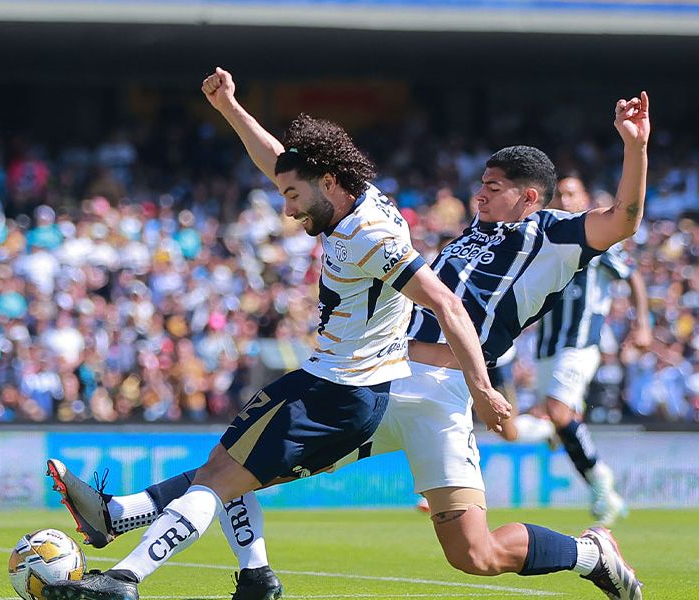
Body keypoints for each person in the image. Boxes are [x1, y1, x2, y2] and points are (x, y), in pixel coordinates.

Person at [50, 69, 649, 600]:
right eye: (482, 182)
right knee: (238, 465)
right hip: (386, 378)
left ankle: (591, 554)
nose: (480, 192)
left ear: (529, 196)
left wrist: (633, 148)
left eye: (494, 187)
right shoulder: (457, 229)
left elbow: (624, 218)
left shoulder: (556, 237)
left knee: (476, 555)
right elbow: (292, 169)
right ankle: (138, 529)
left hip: (442, 392)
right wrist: (233, 108)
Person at [529, 175, 652, 526]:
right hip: (545, 349)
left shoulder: (600, 241)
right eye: (561, 195)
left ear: (584, 199)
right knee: (556, 422)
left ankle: (601, 481)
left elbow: (633, 277)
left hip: (580, 345)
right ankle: (606, 495)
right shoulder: (548, 240)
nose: (566, 200)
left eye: (572, 194)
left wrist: (642, 323)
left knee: (556, 411)